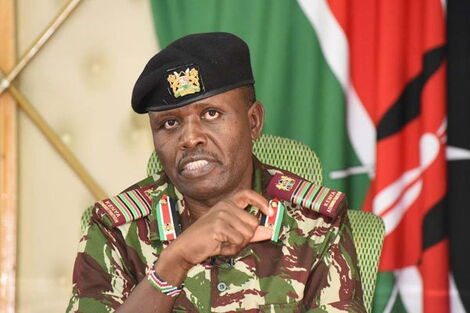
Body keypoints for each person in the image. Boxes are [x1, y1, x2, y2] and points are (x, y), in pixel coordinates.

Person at [66, 32, 365, 313]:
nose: (190, 138)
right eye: (170, 123)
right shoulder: (117, 229)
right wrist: (174, 262)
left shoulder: (315, 223)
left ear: (253, 122)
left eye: (211, 114)